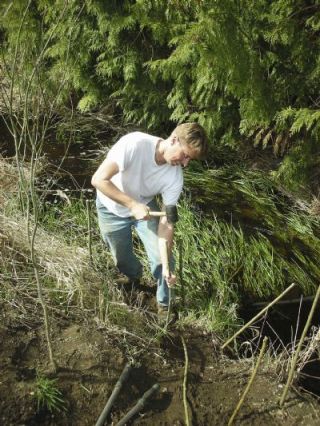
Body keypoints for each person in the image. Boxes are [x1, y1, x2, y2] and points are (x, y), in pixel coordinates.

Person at [91, 122, 208, 316]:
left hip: (145, 208)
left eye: (190, 160)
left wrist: (166, 264)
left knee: (163, 260)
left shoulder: (175, 177)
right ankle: (133, 277)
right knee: (121, 257)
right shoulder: (134, 143)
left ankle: (164, 305)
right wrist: (132, 205)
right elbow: (98, 179)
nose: (186, 163)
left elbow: (166, 224)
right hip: (110, 206)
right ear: (174, 140)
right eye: (185, 155)